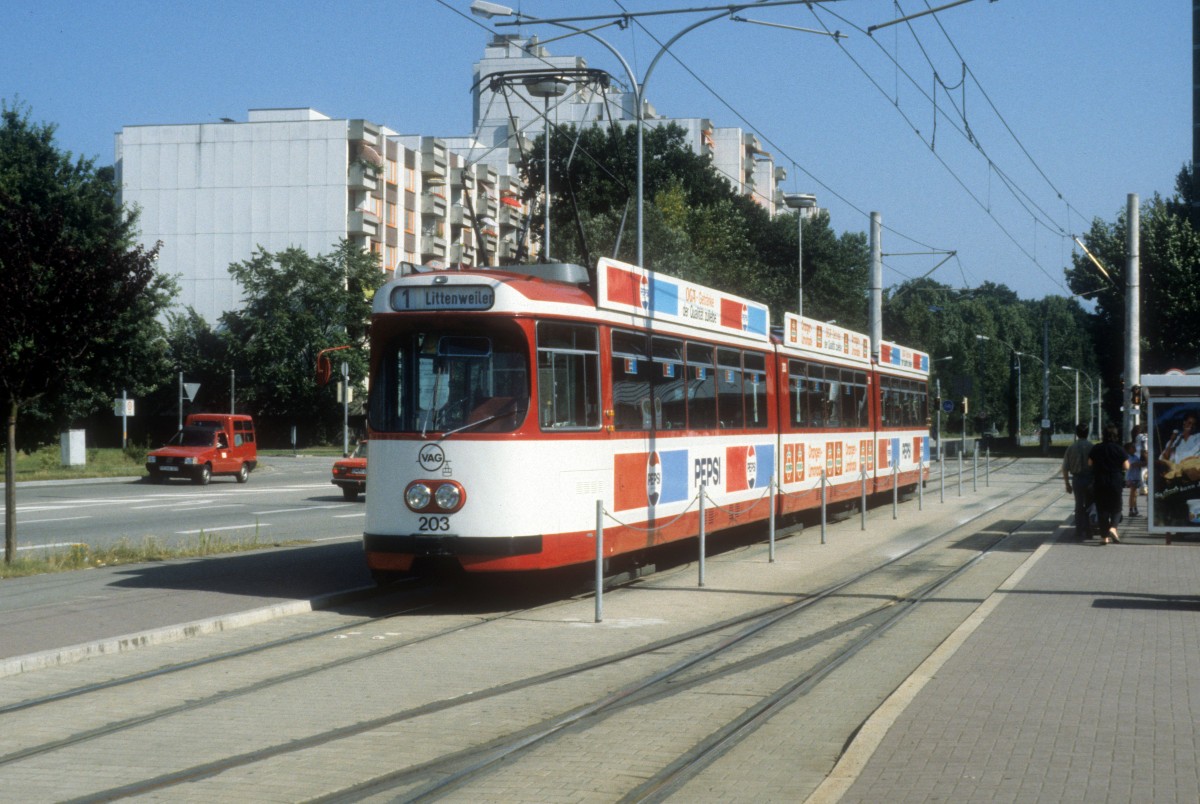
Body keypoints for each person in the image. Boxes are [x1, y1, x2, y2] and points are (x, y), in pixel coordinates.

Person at [1089, 423, 1130, 544]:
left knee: (1102, 510)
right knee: (1116, 508)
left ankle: (1104, 537)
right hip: (1115, 481)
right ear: (1116, 436)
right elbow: (1126, 466)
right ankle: (1113, 528)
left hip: (1100, 481)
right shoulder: (1119, 449)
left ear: (1103, 435)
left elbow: (1090, 463)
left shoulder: (1096, 448)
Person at [1061, 423, 1094, 540]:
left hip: (1077, 479)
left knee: (1079, 505)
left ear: (1076, 434)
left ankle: (1079, 530)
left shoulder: (1071, 448)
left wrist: (1067, 484)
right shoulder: (1092, 447)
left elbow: (1065, 468)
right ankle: (1090, 530)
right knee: (1090, 504)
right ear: (1088, 432)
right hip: (1090, 479)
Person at [1159, 411, 1200, 482]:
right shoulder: (1175, 441)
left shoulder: (1198, 437)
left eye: (1194, 424)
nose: (1191, 426)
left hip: (1194, 469)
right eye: (1189, 423)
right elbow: (1165, 457)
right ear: (1184, 423)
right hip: (1179, 473)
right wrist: (1172, 440)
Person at [1125, 439, 1142, 518]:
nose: (1135, 448)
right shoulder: (1128, 457)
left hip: (1136, 477)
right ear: (1129, 449)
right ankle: (1131, 509)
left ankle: (1135, 508)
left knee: (1135, 494)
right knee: (1132, 494)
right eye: (1133, 447)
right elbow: (1133, 464)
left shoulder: (1136, 456)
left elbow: (1140, 464)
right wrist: (1141, 463)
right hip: (1131, 477)